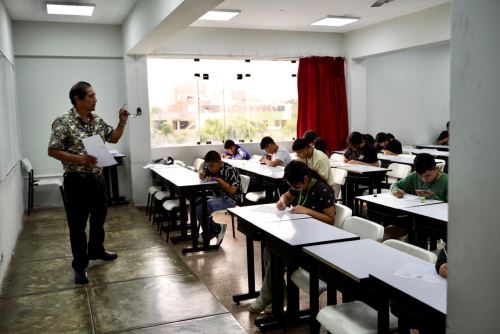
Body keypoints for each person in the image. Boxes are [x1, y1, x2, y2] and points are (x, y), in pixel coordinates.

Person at [48, 81, 128, 284]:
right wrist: (79, 159)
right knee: (77, 224)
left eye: (95, 96)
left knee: (99, 217)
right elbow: (53, 150)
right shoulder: (63, 121)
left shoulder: (97, 120)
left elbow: (113, 138)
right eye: (91, 96)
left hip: (97, 179)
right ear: (78, 99)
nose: (95, 99)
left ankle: (97, 250)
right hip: (76, 181)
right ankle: (80, 265)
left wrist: (121, 122)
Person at [249, 161, 336, 313]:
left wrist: (307, 211)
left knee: (277, 253)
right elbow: (286, 197)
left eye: (295, 185)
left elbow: (330, 219)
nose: (294, 188)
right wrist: (282, 202)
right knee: (269, 250)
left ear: (305, 179)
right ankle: (280, 295)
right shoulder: (299, 186)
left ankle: (266, 296)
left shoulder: (322, 189)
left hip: (317, 241)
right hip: (300, 234)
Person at [197, 150, 241, 246]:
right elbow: (203, 174)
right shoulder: (210, 168)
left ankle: (211, 232)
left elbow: (232, 191)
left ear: (219, 162)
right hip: (216, 196)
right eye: (208, 166)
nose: (210, 169)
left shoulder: (230, 170)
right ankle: (216, 228)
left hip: (230, 199)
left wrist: (219, 180)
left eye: (212, 165)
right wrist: (202, 175)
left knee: (201, 209)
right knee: (196, 203)